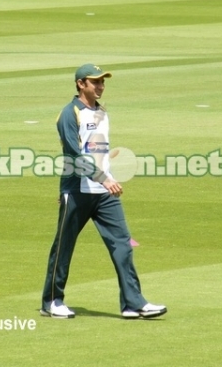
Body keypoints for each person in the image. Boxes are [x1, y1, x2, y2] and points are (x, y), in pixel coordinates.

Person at [40, 64, 167, 320]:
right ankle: (52, 301)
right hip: (77, 190)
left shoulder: (102, 111)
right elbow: (74, 155)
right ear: (80, 84)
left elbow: (99, 151)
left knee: (122, 244)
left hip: (104, 192)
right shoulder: (69, 113)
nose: (100, 86)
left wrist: (105, 179)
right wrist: (102, 179)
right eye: (95, 82)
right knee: (64, 246)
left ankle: (133, 303)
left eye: (102, 82)